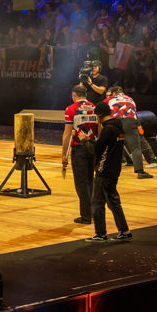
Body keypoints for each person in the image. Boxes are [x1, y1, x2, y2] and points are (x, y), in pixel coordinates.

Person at [86, 101, 132, 242]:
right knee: (113, 201)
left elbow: (97, 149)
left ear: (99, 115)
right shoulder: (119, 127)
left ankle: (100, 234)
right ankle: (124, 230)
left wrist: (86, 141)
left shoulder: (108, 130)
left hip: (104, 170)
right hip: (115, 169)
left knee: (97, 203)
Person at [62, 84, 98, 225]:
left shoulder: (70, 109)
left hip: (79, 149)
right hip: (93, 147)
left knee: (81, 183)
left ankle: (85, 216)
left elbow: (67, 133)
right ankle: (94, 213)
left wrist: (64, 154)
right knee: (90, 181)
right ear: (86, 95)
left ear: (74, 95)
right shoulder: (94, 107)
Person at [105, 86, 157, 178]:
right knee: (135, 148)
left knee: (111, 146)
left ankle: (107, 170)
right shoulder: (130, 99)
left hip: (115, 123)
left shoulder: (109, 99)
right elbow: (134, 113)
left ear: (113, 94)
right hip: (130, 122)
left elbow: (102, 111)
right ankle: (140, 172)